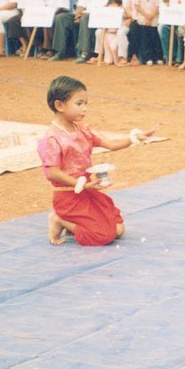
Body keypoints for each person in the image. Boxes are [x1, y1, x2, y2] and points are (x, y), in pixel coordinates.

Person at [37, 76, 157, 246]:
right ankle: (59, 219)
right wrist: (81, 184)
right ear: (59, 105)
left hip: (87, 192)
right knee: (103, 236)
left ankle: (75, 225)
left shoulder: (83, 129)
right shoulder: (52, 138)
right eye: (79, 104)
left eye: (86, 104)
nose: (84, 109)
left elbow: (111, 144)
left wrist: (134, 137)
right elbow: (52, 172)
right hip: (68, 196)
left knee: (118, 229)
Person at [126, 0, 162, 65]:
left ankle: (158, 57)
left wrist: (151, 17)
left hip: (153, 17)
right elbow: (137, 6)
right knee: (144, 35)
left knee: (154, 36)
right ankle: (148, 58)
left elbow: (157, 7)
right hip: (142, 17)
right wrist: (146, 16)